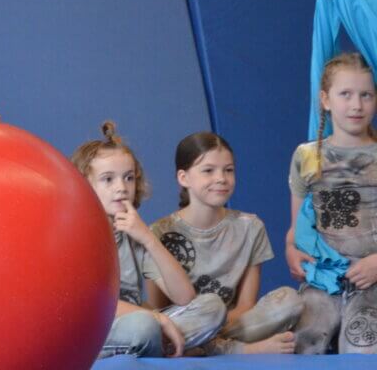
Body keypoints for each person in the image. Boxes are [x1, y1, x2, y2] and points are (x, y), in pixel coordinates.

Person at [72, 122, 226, 358]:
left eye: (129, 178)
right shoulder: (79, 235)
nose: (121, 188)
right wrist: (154, 317)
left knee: (212, 307)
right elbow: (90, 304)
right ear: (85, 184)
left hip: (144, 323)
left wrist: (148, 239)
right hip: (95, 330)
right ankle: (164, 344)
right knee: (143, 326)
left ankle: (160, 345)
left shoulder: (134, 233)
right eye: (108, 179)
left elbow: (184, 296)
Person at [150, 132, 303, 354]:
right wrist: (205, 320)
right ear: (183, 178)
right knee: (207, 309)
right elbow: (159, 308)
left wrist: (215, 326)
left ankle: (211, 348)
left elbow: (245, 305)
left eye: (228, 170)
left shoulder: (251, 227)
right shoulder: (159, 232)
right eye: (208, 170)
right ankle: (242, 351)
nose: (221, 178)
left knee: (290, 300)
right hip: (187, 326)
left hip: (230, 324)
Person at [286, 51, 377, 354]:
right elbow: (298, 225)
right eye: (346, 94)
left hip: (371, 279)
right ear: (325, 99)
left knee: (361, 346)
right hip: (325, 281)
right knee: (304, 340)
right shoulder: (307, 156)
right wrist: (291, 250)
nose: (356, 105)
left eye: (366, 95)